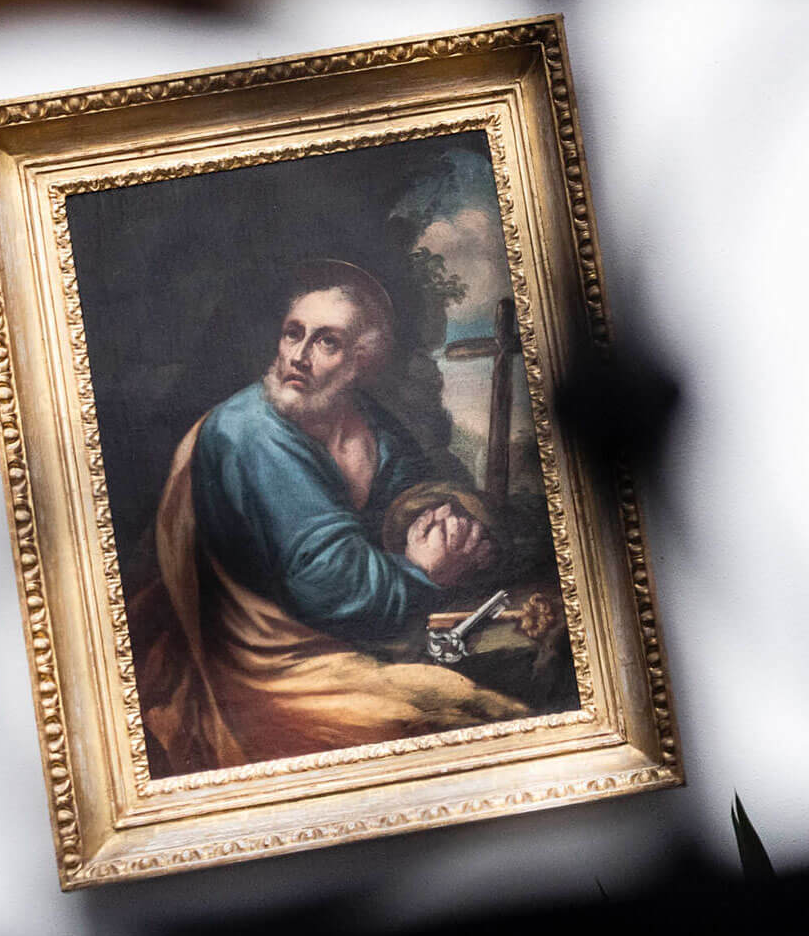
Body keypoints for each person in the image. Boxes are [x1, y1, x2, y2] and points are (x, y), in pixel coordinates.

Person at [127, 260, 527, 776]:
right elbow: (331, 585)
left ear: (364, 361)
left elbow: (419, 505)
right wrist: (425, 569)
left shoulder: (375, 429)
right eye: (293, 333)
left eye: (326, 342)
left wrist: (455, 532)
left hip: (354, 643)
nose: (298, 355)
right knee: (466, 723)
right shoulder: (250, 432)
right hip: (258, 671)